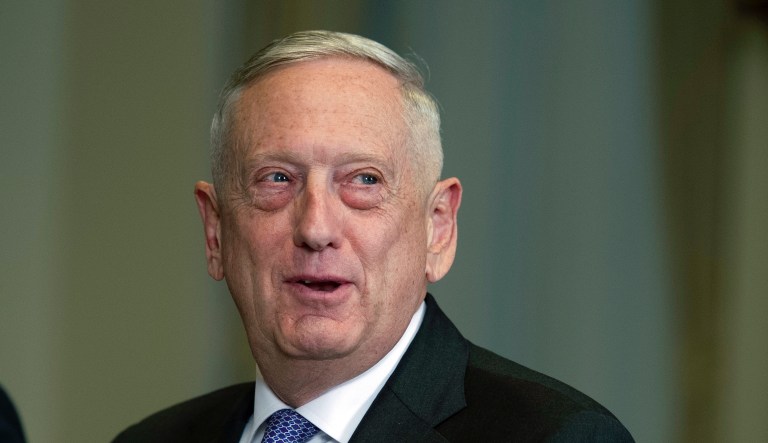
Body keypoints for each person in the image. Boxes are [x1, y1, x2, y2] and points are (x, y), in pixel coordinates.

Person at [114, 30, 633, 442]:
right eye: (277, 179)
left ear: (437, 227)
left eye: (364, 180)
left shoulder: (559, 436)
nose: (316, 229)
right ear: (216, 232)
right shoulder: (150, 439)